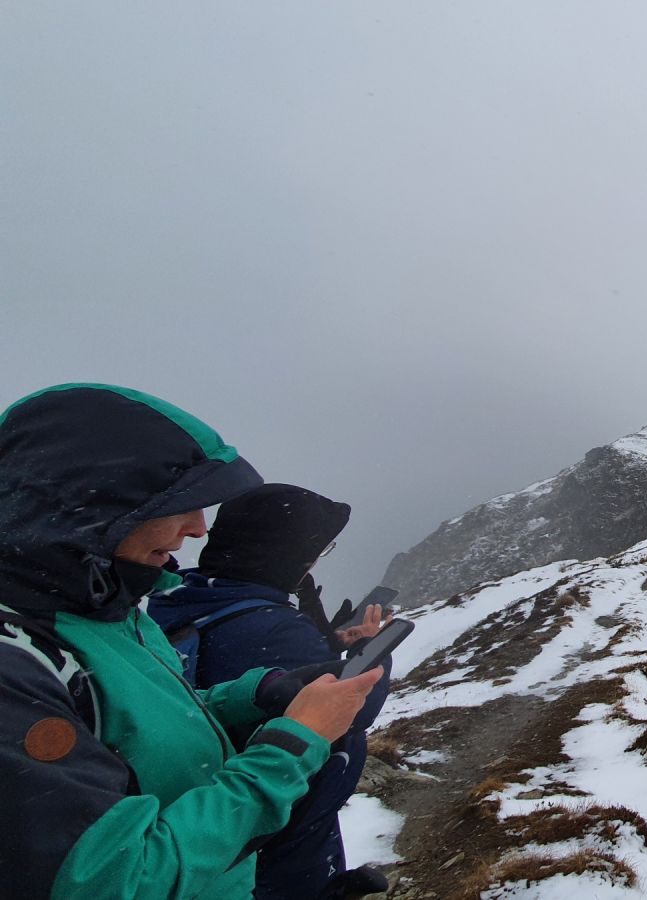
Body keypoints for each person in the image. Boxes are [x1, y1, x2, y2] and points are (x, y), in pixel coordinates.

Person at [0, 384, 383, 900]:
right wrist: (294, 743)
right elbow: (118, 881)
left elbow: (134, 725)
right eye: (180, 504)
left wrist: (258, 694)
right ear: (89, 506)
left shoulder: (102, 611)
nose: (200, 530)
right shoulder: (16, 661)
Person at [148, 484, 392, 900]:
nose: (315, 560)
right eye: (318, 549)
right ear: (286, 552)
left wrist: (329, 643)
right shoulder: (276, 627)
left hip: (206, 820)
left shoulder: (184, 600)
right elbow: (349, 708)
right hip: (268, 842)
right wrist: (373, 655)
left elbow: (240, 663)